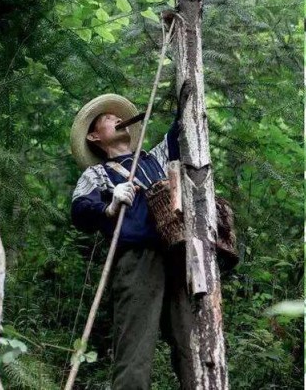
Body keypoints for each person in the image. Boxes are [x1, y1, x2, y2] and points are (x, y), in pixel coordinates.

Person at [69, 93, 194, 389]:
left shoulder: (154, 159)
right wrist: (109, 205)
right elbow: (79, 211)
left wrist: (183, 99)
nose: (116, 118)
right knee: (135, 351)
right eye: (107, 119)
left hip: (177, 252)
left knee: (191, 344)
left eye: (117, 116)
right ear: (94, 136)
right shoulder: (96, 173)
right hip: (137, 259)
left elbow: (178, 134)